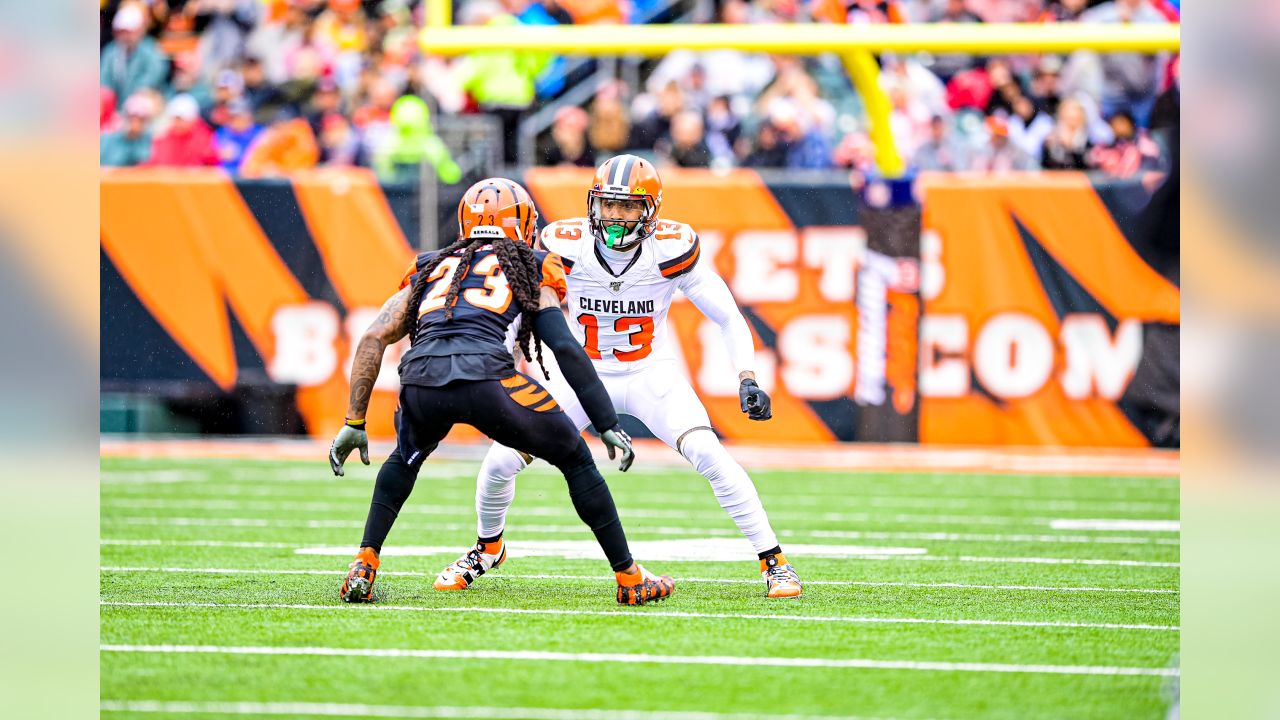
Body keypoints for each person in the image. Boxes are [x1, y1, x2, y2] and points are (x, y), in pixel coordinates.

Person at [434, 156, 804, 599]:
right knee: (499, 462)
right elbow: (518, 307)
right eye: (608, 205)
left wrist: (747, 377)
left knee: (710, 454)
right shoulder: (563, 244)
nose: (615, 216)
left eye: (628, 207)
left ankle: (774, 562)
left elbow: (727, 316)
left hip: (650, 373)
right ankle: (488, 547)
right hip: (578, 376)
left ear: (652, 209)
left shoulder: (671, 248)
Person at [329, 178, 675, 607]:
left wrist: (354, 421)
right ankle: (629, 578)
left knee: (405, 457)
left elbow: (373, 337)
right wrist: (605, 421)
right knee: (575, 458)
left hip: (421, 380)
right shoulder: (531, 263)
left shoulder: (429, 265)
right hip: (488, 381)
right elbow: (564, 346)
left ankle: (365, 560)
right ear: (525, 224)